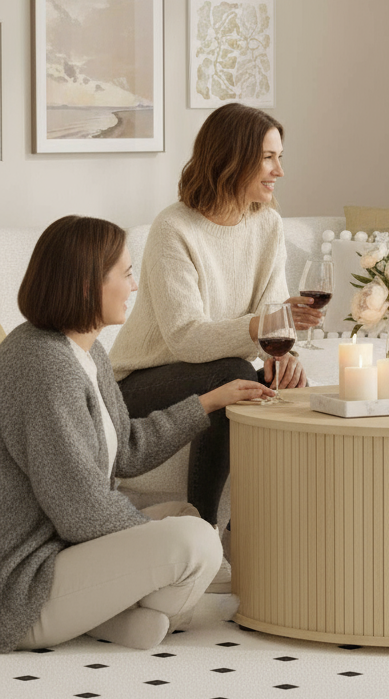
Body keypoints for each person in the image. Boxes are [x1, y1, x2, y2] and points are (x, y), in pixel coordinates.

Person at [0, 216, 276, 654]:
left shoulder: (86, 351)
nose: (133, 286)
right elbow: (81, 512)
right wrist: (156, 541)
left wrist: (208, 402)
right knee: (198, 542)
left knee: (184, 516)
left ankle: (111, 618)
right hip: (25, 583)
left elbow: (126, 450)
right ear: (88, 284)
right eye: (126, 274)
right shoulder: (43, 365)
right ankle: (111, 616)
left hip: (64, 550)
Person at [110, 103, 322, 531]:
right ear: (232, 158)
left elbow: (273, 311)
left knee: (285, 383)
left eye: (280, 157)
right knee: (233, 373)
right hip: (139, 384)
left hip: (214, 371)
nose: (279, 170)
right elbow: (186, 339)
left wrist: (283, 356)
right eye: (268, 157)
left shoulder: (268, 225)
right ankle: (202, 527)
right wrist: (263, 326)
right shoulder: (174, 228)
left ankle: (253, 529)